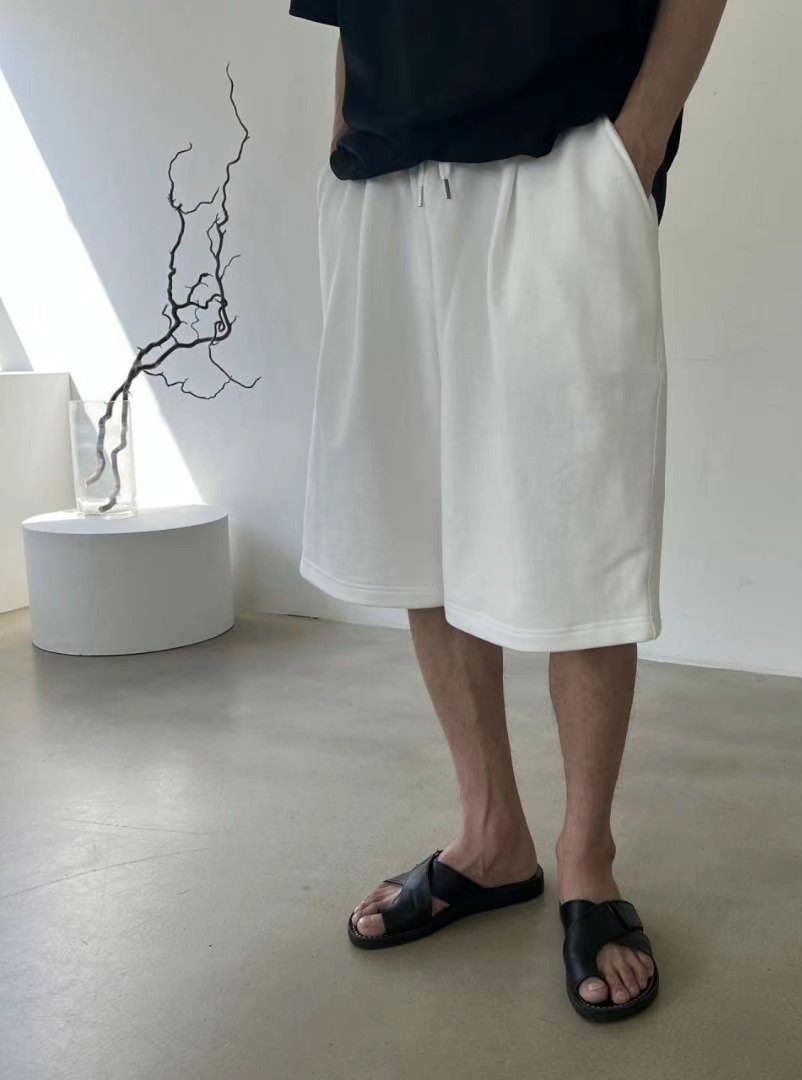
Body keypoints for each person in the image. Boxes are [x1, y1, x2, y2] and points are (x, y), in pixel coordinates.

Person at [290, 0, 728, 1022]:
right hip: (385, 182)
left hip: (561, 161)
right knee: (417, 522)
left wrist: (634, 147)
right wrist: (344, 142)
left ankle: (588, 860)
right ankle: (491, 835)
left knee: (577, 525)